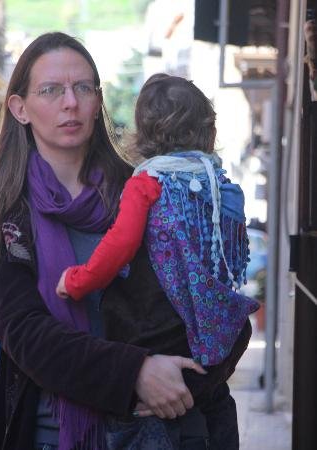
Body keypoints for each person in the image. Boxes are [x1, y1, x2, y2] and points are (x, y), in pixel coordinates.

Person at [0, 33, 207, 450]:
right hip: (47, 437)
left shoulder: (149, 191)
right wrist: (134, 373)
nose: (70, 103)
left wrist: (184, 381)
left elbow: (209, 302)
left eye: (83, 88)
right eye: (51, 90)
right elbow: (26, 334)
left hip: (157, 431)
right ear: (20, 108)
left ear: (98, 101)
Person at [56, 74, 260, 448]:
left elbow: (119, 245)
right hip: (208, 344)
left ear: (144, 133)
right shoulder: (222, 187)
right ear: (208, 131)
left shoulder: (147, 182)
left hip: (152, 335)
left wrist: (77, 281)